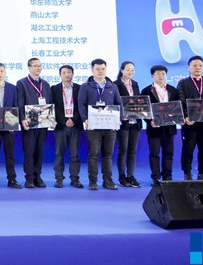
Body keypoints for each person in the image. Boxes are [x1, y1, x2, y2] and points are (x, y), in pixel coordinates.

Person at [78, 58, 122, 190]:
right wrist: (85, 119)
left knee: (108, 155)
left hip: (110, 126)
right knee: (94, 154)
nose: (100, 71)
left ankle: (108, 181)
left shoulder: (112, 86)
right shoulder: (86, 86)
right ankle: (93, 181)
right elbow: (81, 104)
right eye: (97, 69)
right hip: (93, 126)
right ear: (92, 70)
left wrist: (119, 118)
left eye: (103, 69)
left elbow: (118, 104)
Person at [177, 56, 203, 181]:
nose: (197, 68)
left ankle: (202, 172)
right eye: (194, 65)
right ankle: (187, 172)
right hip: (190, 123)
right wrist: (185, 117)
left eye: (200, 65)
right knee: (188, 149)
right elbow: (181, 101)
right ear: (189, 67)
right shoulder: (183, 83)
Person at [141, 65, 181, 183]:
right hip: (154, 128)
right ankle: (156, 177)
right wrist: (150, 121)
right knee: (154, 153)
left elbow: (177, 108)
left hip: (169, 128)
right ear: (152, 76)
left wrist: (178, 118)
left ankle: (167, 176)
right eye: (158, 74)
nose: (161, 76)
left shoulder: (173, 90)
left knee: (168, 153)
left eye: (163, 74)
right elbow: (143, 110)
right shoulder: (146, 91)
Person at [17, 57, 53, 188]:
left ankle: (38, 176)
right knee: (29, 151)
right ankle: (29, 178)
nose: (38, 68)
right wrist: (22, 119)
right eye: (35, 65)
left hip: (43, 123)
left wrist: (51, 119)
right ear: (29, 67)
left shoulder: (46, 84)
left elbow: (49, 103)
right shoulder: (22, 83)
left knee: (40, 150)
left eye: (40, 65)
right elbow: (20, 103)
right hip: (29, 123)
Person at [51, 65, 83, 188]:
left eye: (69, 72)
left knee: (74, 154)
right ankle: (59, 178)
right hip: (61, 126)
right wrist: (65, 120)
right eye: (64, 72)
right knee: (59, 153)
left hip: (75, 125)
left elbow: (82, 106)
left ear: (72, 74)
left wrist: (73, 119)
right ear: (60, 75)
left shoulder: (80, 88)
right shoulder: (54, 89)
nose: (67, 74)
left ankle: (74, 179)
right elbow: (53, 107)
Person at [114, 61, 142, 188]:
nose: (131, 72)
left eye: (133, 70)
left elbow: (139, 102)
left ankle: (130, 175)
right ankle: (122, 176)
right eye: (128, 69)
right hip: (123, 123)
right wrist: (121, 115)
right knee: (123, 150)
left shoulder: (135, 84)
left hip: (135, 122)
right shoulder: (115, 85)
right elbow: (114, 103)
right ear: (122, 70)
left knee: (132, 150)